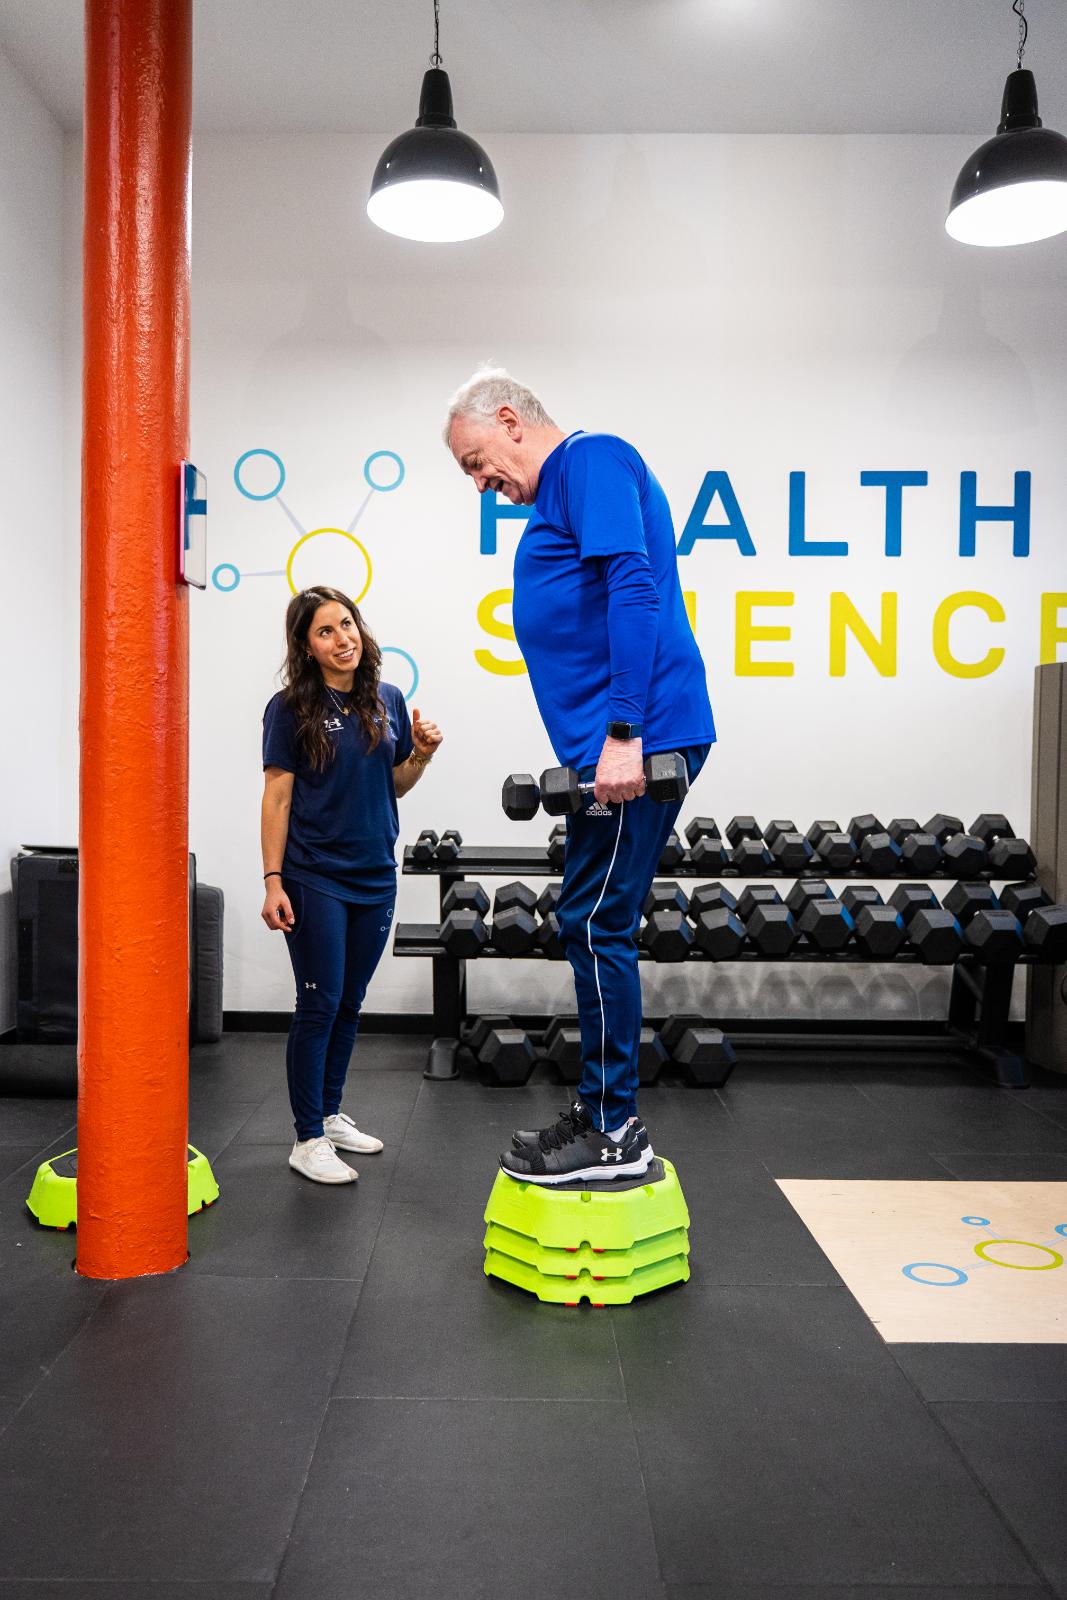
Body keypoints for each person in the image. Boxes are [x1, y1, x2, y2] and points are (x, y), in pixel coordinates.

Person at [445, 367, 715, 1184]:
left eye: (474, 461)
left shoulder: (591, 459)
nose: (481, 485)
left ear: (508, 420)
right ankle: (603, 1111)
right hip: (610, 749)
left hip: (639, 738)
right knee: (586, 919)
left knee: (596, 923)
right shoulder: (563, 485)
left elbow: (632, 586)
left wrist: (625, 733)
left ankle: (613, 1128)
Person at [261, 585, 443, 1184]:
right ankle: (306, 1136)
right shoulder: (288, 709)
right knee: (318, 1003)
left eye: (347, 625)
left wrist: (420, 754)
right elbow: (279, 796)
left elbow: (393, 784)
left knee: (348, 1003)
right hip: (315, 876)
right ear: (306, 647)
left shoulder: (385, 697)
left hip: (374, 876)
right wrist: (273, 881)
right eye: (325, 632)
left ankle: (330, 1114)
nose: (343, 640)